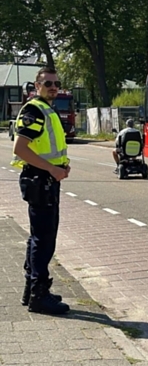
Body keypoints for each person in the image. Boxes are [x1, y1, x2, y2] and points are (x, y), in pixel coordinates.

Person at [11, 67, 71, 315]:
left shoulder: (46, 109)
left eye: (56, 83)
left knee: (39, 237)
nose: (53, 87)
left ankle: (33, 290)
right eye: (47, 83)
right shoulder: (35, 109)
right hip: (40, 180)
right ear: (36, 86)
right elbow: (20, 149)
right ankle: (39, 295)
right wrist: (52, 169)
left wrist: (61, 166)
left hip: (45, 179)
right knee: (43, 240)